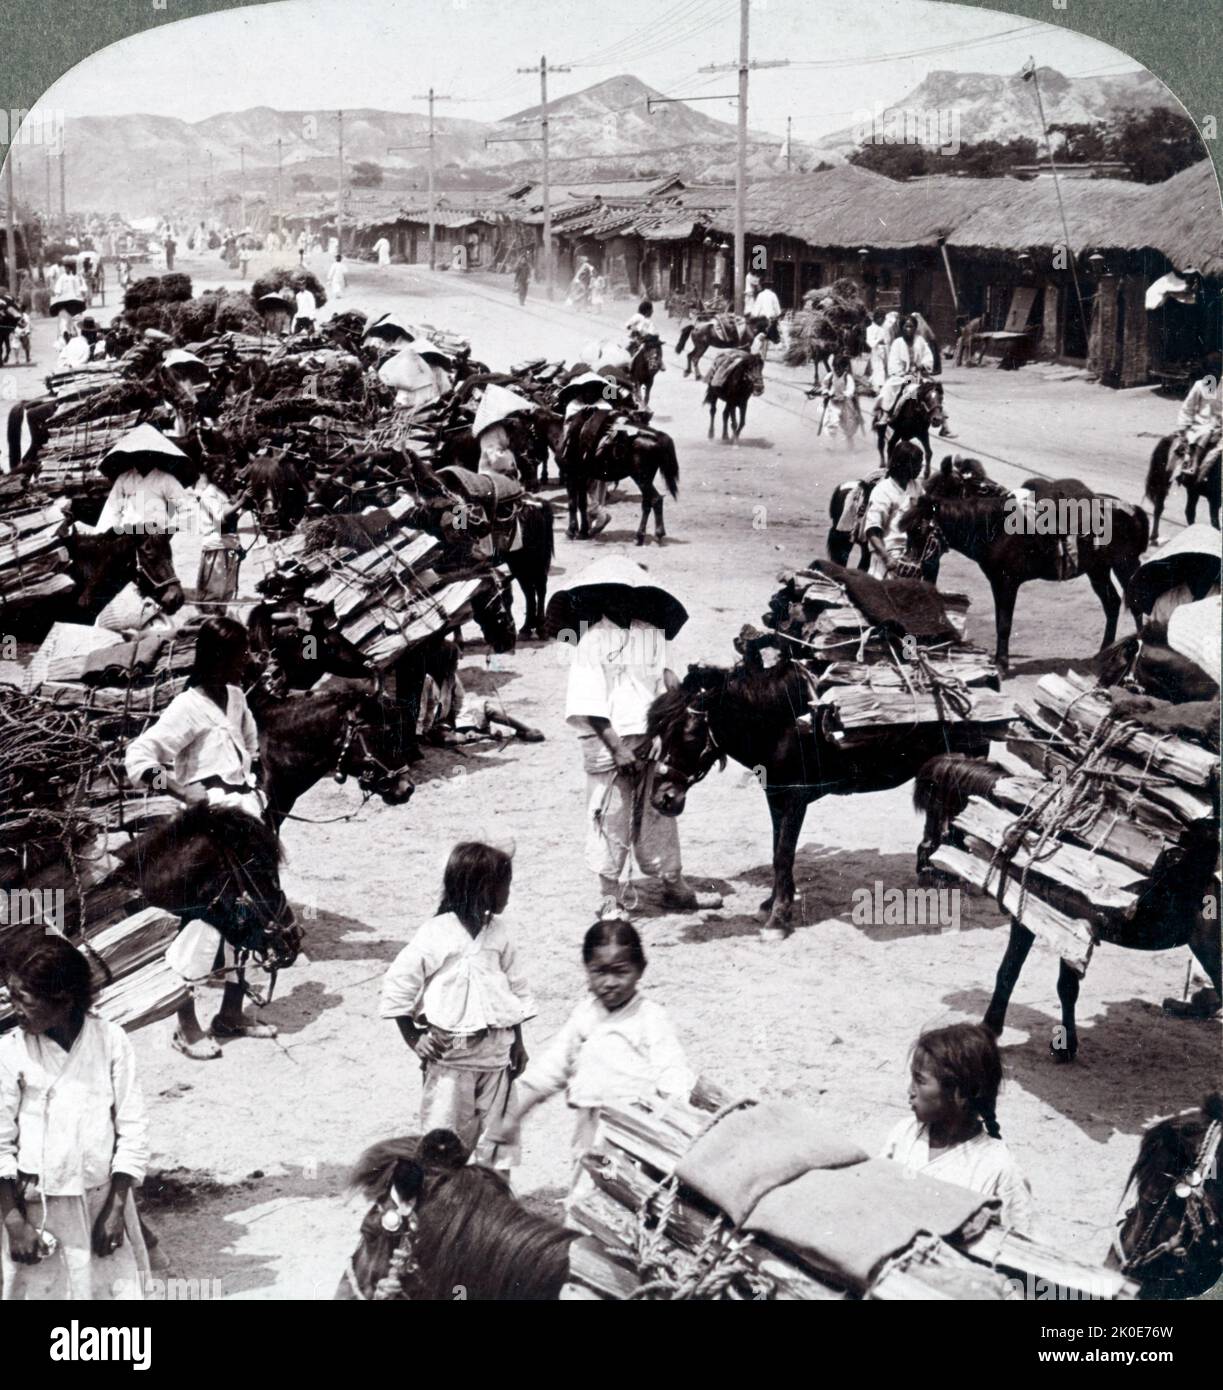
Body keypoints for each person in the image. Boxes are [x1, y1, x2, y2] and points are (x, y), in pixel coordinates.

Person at [124, 616, 278, 1060]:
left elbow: (249, 743)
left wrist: (256, 776)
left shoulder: (234, 697)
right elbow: (138, 756)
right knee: (206, 924)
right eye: (239, 654)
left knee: (247, 916)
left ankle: (231, 1013)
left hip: (245, 823)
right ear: (216, 657)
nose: (246, 661)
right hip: (207, 835)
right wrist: (176, 787)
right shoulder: (186, 708)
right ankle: (185, 1025)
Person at [487, 917, 694, 1205]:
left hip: (634, 1137)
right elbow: (551, 1070)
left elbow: (674, 1073)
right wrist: (513, 1117)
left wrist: (678, 1117)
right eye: (599, 972)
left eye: (620, 972)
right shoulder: (584, 1016)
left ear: (640, 970)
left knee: (620, 1199)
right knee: (585, 1196)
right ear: (586, 970)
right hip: (590, 1132)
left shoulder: (649, 1018)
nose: (610, 983)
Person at [563, 559, 723, 916]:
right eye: (614, 594)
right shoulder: (590, 641)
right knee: (611, 814)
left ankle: (673, 884)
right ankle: (609, 896)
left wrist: (674, 718)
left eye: (628, 593)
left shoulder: (651, 634)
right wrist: (617, 749)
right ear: (602, 597)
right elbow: (588, 704)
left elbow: (667, 685)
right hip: (610, 744)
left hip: (653, 740)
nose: (622, 600)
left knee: (660, 810)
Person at [0, 937, 151, 1299]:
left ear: (64, 1000)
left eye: (25, 999)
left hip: (101, 1201)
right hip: (38, 1207)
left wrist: (115, 1210)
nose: (14, 1009)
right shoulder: (10, 1052)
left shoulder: (110, 1041)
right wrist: (14, 1222)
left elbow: (132, 1127)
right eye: (11, 996)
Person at [379, 842, 533, 1167]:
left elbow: (515, 989)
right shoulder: (437, 933)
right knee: (443, 1144)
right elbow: (399, 982)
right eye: (504, 886)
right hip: (452, 1059)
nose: (508, 893)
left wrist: (518, 1042)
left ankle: (493, 1204)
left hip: (497, 1057)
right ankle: (441, 1203)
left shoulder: (501, 933)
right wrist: (413, 1038)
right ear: (482, 888)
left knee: (498, 1147)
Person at [881, 1022, 1034, 1233]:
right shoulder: (904, 1134)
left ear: (961, 1092)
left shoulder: (998, 1167)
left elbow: (1020, 1245)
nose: (910, 1090)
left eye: (920, 1081)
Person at [862, 440, 924, 580]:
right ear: (904, 464)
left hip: (911, 558)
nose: (921, 468)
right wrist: (887, 558)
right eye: (917, 463)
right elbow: (872, 530)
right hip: (887, 558)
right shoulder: (883, 491)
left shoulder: (916, 487)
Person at [189, 465, 249, 603]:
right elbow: (220, 518)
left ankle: (220, 619)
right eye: (217, 473)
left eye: (223, 473)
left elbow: (232, 519)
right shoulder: (209, 493)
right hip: (217, 546)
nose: (221, 476)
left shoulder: (223, 493)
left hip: (229, 545)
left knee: (227, 591)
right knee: (213, 591)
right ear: (210, 473)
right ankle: (209, 621)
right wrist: (241, 502)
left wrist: (238, 546)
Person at [1174, 350, 1222, 485]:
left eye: (1219, 370)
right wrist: (1183, 427)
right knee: (1207, 432)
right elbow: (1188, 407)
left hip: (1220, 426)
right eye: (1213, 371)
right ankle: (1193, 464)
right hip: (1203, 425)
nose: (1217, 374)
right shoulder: (1202, 385)